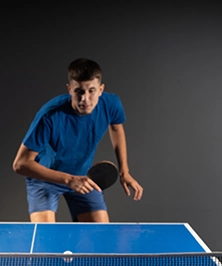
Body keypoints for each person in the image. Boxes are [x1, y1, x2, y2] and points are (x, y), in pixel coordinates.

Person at [13, 58, 143, 222]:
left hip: (83, 177)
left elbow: (117, 128)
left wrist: (125, 171)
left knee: (100, 236)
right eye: (79, 91)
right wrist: (69, 179)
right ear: (69, 89)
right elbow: (20, 164)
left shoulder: (111, 104)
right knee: (45, 240)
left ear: (101, 89)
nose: (85, 99)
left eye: (92, 91)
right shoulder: (49, 116)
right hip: (46, 177)